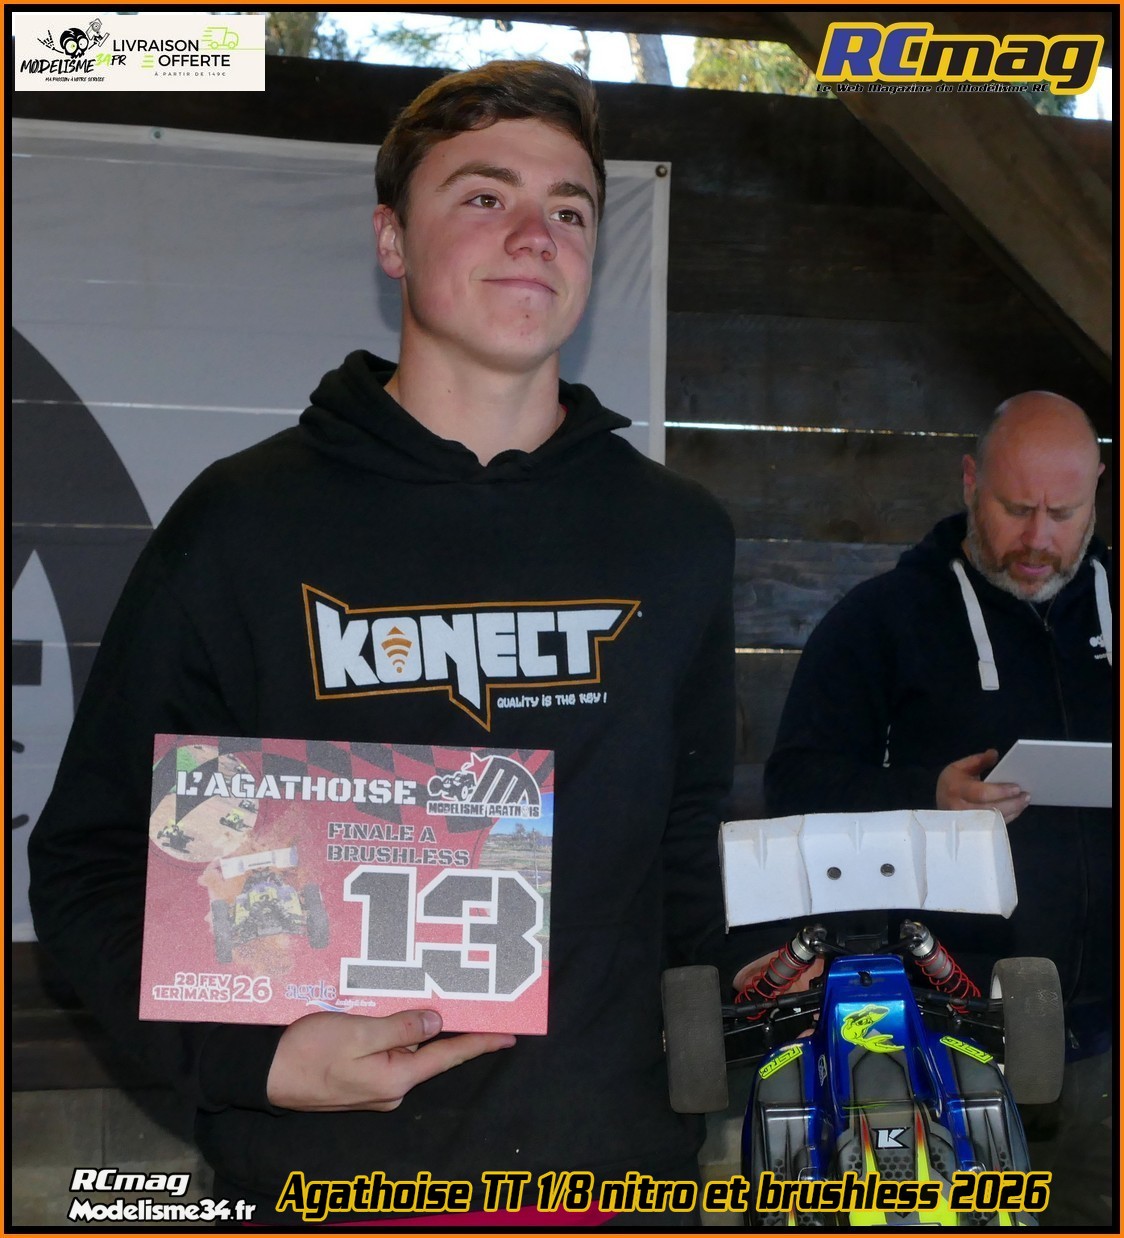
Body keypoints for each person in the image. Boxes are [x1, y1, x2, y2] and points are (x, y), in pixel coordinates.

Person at [29, 61, 735, 1225]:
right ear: (391, 240)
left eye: (568, 209)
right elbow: (92, 858)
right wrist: (252, 1060)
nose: (534, 234)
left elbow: (692, 861)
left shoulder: (676, 536)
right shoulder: (245, 522)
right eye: (483, 195)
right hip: (324, 1181)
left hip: (603, 1180)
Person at [762, 391, 1112, 1223]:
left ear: (1098, 492)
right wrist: (926, 795)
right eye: (1015, 509)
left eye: (1063, 514)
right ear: (968, 483)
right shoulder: (882, 620)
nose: (1038, 538)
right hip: (937, 1040)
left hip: (1110, 1044)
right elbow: (795, 784)